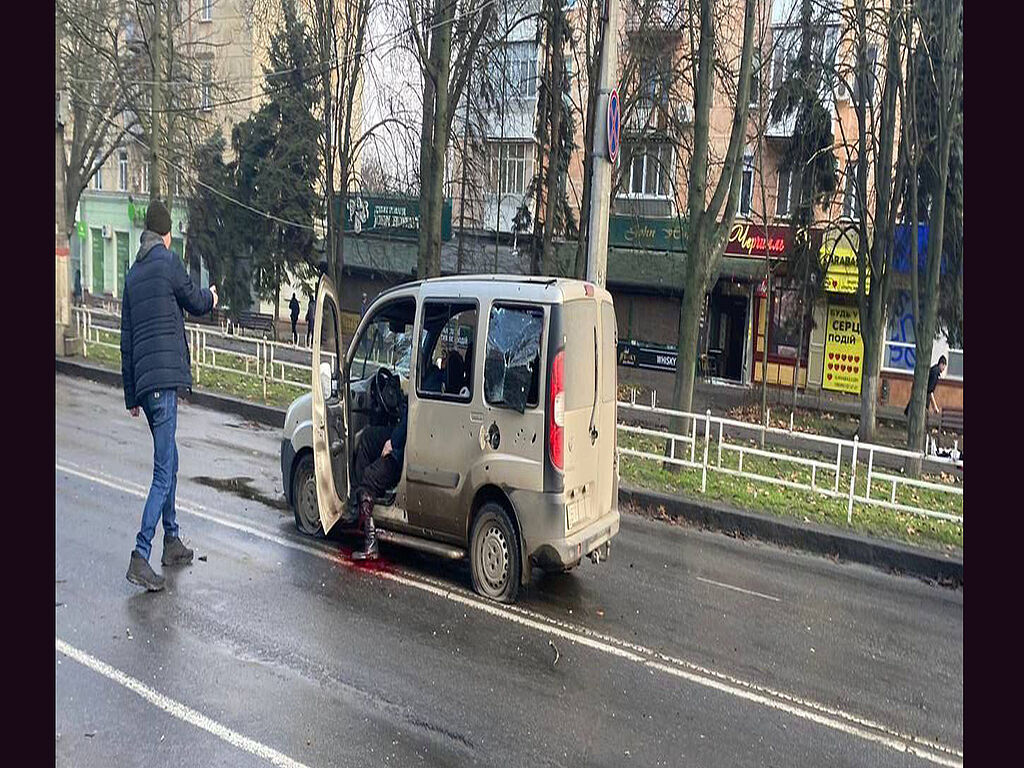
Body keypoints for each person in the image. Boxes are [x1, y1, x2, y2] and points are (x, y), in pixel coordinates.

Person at [120, 201, 218, 591]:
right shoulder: (168, 262)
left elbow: (126, 341)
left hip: (145, 387)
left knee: (170, 459)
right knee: (163, 472)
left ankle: (172, 539)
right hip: (163, 384)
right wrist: (211, 297)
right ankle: (140, 554)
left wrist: (131, 395)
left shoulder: (133, 274)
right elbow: (194, 302)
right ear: (164, 234)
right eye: (170, 233)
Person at [349, 407, 407, 560]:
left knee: (369, 478)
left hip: (404, 448)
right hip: (407, 434)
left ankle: (370, 544)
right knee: (368, 437)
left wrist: (393, 442)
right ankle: (359, 504)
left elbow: (413, 414)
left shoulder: (431, 382)